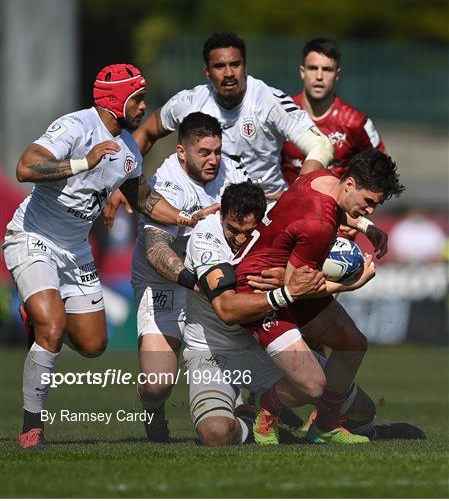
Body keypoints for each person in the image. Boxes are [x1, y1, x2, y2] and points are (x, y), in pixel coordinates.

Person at [2, 64, 209, 450]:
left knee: (95, 345)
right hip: (34, 236)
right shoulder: (75, 127)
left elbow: (143, 199)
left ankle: (40, 312)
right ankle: (32, 427)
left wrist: (187, 217)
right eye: (138, 99)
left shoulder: (129, 149)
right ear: (117, 102)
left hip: (76, 250)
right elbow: (25, 167)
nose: (143, 107)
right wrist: (84, 162)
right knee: (50, 327)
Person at [235, 149, 405, 444]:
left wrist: (367, 227)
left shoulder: (323, 178)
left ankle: (325, 425)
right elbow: (297, 289)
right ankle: (267, 411)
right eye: (368, 203)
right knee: (313, 386)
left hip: (284, 279)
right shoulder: (319, 224)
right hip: (261, 293)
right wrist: (351, 284)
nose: (370, 211)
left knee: (353, 343)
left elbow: (299, 276)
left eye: (375, 206)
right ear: (350, 184)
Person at [103, 32, 335, 226]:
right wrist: (124, 179)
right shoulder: (191, 101)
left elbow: (321, 146)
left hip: (267, 213)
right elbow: (147, 132)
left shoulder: (269, 101)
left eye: (235, 64)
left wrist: (296, 195)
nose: (228, 73)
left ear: (245, 67)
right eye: (219, 66)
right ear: (207, 72)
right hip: (207, 215)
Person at [132, 111, 251, 442]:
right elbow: (155, 250)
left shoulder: (233, 173)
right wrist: (194, 282)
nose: (214, 160)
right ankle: (153, 409)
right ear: (182, 152)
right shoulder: (166, 184)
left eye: (217, 151)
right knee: (157, 384)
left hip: (209, 282)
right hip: (166, 285)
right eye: (204, 153)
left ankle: (243, 405)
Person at [183, 182, 327, 445]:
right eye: (233, 230)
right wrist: (286, 292)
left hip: (261, 345)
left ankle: (376, 430)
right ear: (221, 215)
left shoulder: (274, 226)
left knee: (352, 402)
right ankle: (256, 424)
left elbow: (313, 196)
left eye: (248, 232)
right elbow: (227, 310)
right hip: (212, 352)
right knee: (216, 433)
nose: (239, 239)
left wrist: (364, 227)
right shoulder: (206, 237)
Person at [281, 38, 385, 185]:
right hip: (288, 205)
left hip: (335, 207)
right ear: (302, 72)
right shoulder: (282, 114)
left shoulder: (355, 122)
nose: (319, 76)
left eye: (327, 69)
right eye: (313, 68)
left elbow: (381, 169)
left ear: (337, 74)